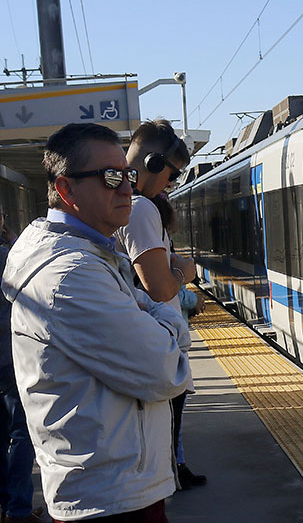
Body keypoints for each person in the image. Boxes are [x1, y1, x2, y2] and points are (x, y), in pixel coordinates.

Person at [0, 123, 191, 521]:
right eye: (110, 177)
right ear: (66, 190)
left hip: (116, 487)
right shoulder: (71, 276)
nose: (126, 189)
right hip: (108, 498)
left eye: (127, 175)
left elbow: (145, 305)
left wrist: (150, 310)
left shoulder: (93, 258)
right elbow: (167, 367)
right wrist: (169, 316)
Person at [114, 120, 205, 490]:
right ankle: (170, 478)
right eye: (171, 174)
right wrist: (184, 272)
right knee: (167, 421)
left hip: (147, 334)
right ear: (153, 164)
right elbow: (157, 288)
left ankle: (172, 472)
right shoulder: (140, 210)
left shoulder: (131, 206)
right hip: (156, 337)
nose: (171, 184)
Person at [0, 206, 46, 523]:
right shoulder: (8, 255)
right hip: (8, 359)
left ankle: (6, 505)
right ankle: (17, 509)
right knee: (22, 435)